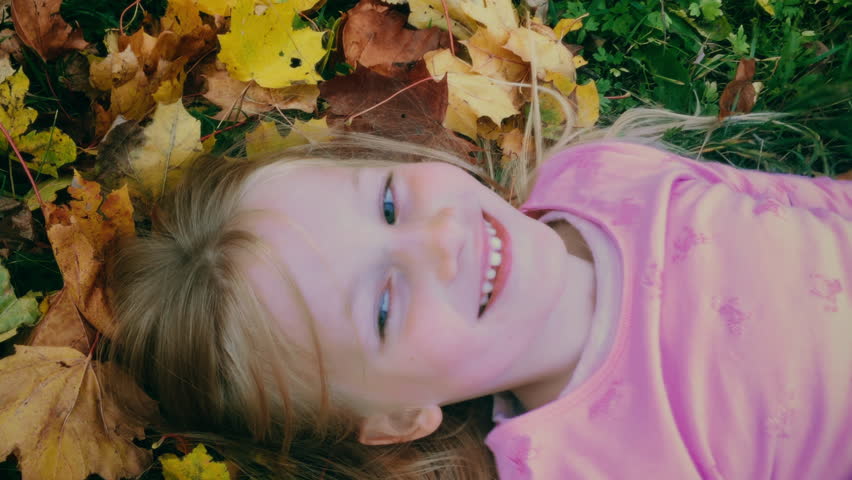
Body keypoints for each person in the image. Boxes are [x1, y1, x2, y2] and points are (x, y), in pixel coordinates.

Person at [103, 100, 852, 479]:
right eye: (385, 307)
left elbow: (803, 205)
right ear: (397, 418)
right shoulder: (581, 462)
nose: (441, 239)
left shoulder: (599, 177)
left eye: (391, 205)